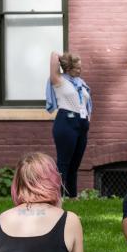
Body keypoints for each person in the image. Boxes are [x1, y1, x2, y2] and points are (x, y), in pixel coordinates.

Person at [46, 51, 93, 198]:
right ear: (68, 67)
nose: (80, 70)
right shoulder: (59, 80)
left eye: (81, 67)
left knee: (75, 164)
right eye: (77, 67)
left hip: (82, 124)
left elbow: (86, 103)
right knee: (64, 162)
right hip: (66, 123)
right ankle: (57, 196)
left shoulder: (81, 83)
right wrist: (64, 58)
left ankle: (73, 196)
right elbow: (53, 55)